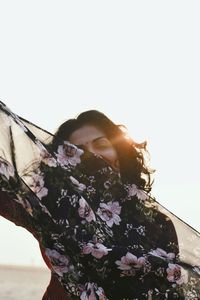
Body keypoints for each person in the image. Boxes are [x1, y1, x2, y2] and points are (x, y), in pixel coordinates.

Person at [0, 102, 200, 299]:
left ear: (120, 154)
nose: (92, 155)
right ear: (64, 163)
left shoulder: (157, 224)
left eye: (102, 145)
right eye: (77, 151)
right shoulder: (54, 213)